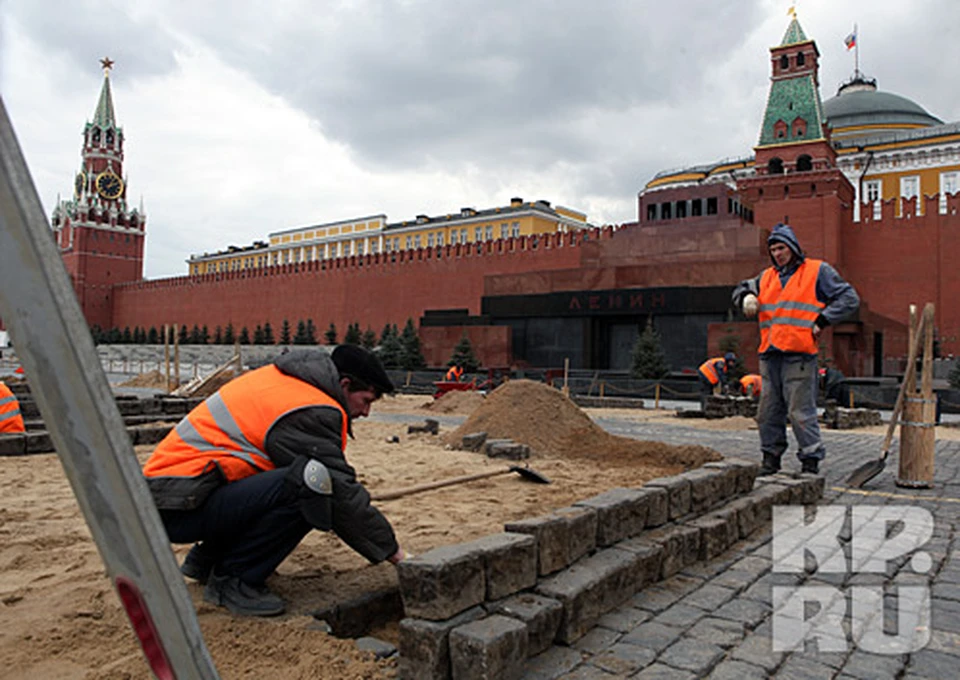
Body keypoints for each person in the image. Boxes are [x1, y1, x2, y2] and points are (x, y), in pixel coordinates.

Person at [142, 345, 406, 617]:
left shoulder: (288, 383)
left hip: (176, 496)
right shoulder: (312, 408)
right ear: (344, 384)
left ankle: (209, 561)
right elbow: (341, 493)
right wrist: (395, 555)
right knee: (310, 483)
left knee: (285, 478)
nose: (366, 413)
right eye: (366, 400)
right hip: (180, 504)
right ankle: (235, 580)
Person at [733, 223, 859, 475]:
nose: (778, 254)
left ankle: (810, 461)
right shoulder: (766, 277)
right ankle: (770, 459)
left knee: (800, 412)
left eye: (782, 248)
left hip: (799, 356)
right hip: (770, 356)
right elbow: (740, 288)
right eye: (773, 250)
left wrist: (823, 320)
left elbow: (849, 298)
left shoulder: (816, 271)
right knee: (768, 412)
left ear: (792, 247)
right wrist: (745, 296)